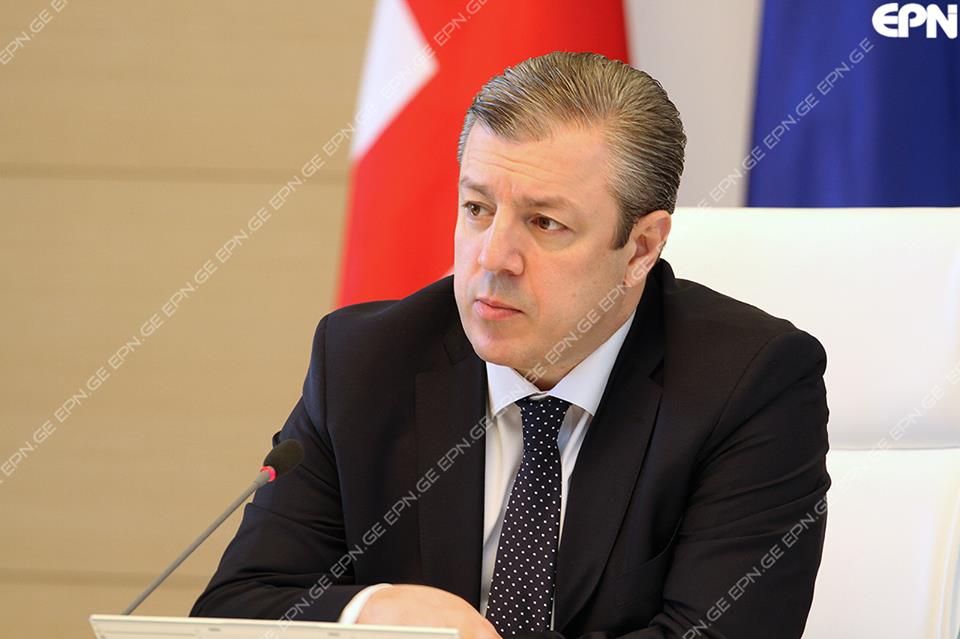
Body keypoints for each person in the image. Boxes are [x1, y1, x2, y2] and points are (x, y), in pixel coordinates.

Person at [191, 51, 830, 639]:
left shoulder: (749, 384)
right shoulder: (364, 361)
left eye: (545, 223)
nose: (492, 257)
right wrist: (374, 612)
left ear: (641, 248)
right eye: (477, 208)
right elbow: (237, 609)